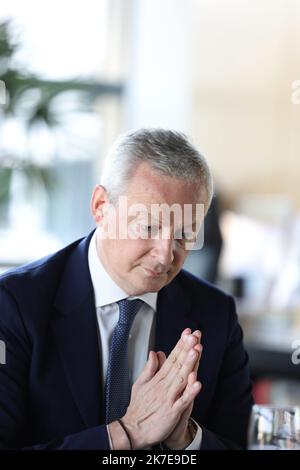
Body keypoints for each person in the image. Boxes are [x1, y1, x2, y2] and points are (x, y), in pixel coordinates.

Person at [0, 129, 253, 450]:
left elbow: (242, 444)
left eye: (184, 235)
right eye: (148, 227)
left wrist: (187, 439)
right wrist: (126, 433)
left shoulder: (216, 314)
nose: (165, 255)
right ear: (101, 206)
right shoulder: (14, 304)